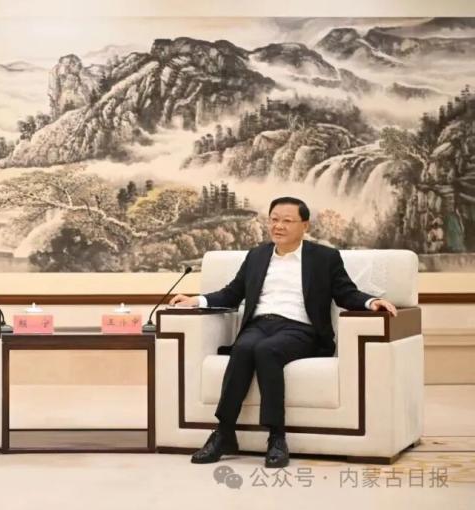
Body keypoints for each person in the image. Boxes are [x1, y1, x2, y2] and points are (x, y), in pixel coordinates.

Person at [169, 196, 397, 468]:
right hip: (260, 324)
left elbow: (346, 292)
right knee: (243, 348)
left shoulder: (323, 258)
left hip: (301, 328)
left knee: (267, 351)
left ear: (305, 225)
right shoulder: (257, 256)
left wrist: (371, 302)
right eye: (274, 220)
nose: (278, 226)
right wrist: (196, 300)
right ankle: (224, 433)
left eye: (287, 221)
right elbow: (232, 293)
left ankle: (276, 437)